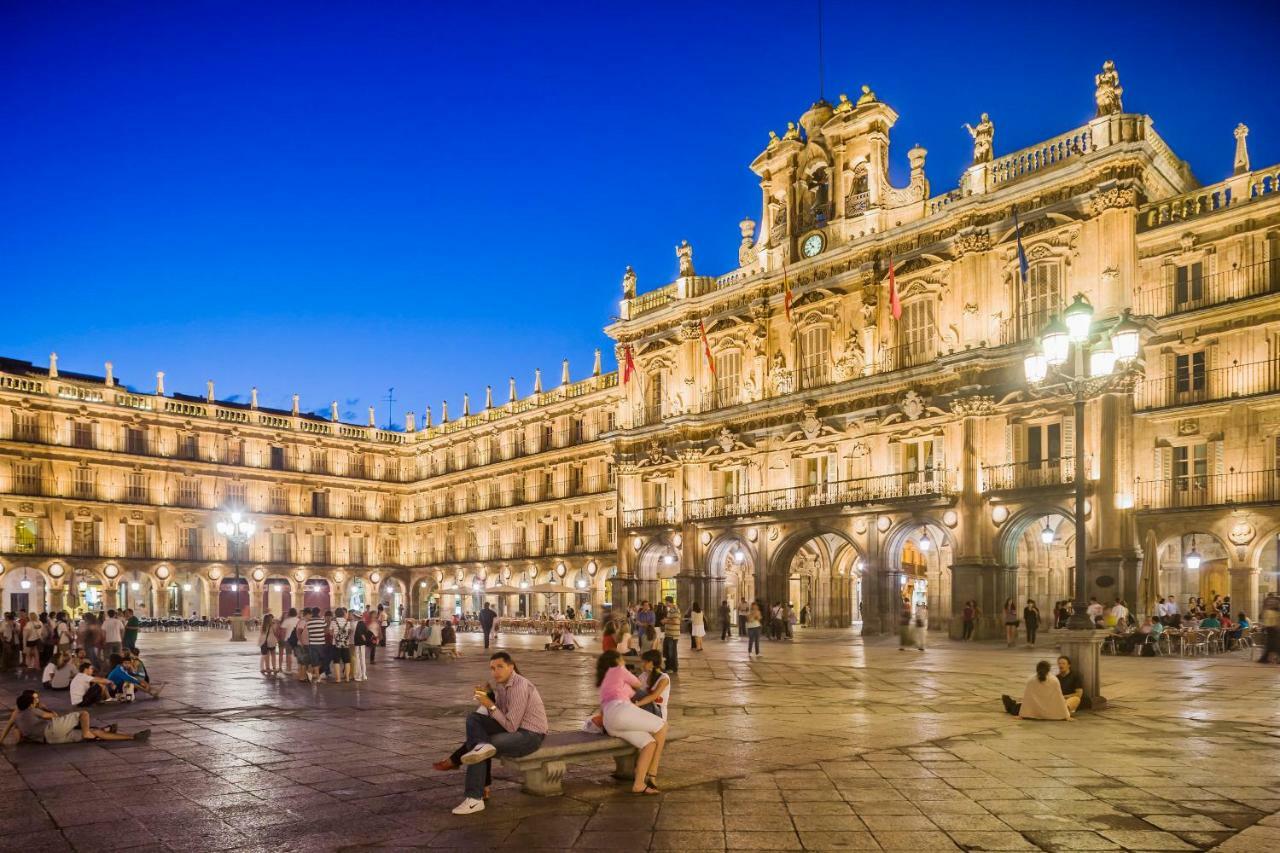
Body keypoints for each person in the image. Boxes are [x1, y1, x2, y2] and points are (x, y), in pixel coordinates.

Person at [443, 652, 548, 815]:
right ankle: (481, 788)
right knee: (474, 719)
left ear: (511, 666)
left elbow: (511, 725)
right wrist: (489, 695)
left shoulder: (520, 686)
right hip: (514, 730)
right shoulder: (501, 685)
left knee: (479, 746)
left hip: (530, 736)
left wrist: (490, 705)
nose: (495, 672)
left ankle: (474, 798)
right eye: (492, 668)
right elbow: (498, 713)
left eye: (500, 667)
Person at [595, 650, 666, 795]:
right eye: (621, 659)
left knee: (649, 744)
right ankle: (652, 773)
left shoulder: (605, 681)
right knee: (662, 726)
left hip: (610, 722)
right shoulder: (619, 670)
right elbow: (638, 683)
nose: (623, 661)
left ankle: (639, 784)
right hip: (621, 711)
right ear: (616, 661)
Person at [1, 690, 147, 745]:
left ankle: (130, 736)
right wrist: (45, 709)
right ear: (30, 703)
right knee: (83, 714)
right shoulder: (31, 710)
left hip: (49, 740)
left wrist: (2, 740)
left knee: (94, 733)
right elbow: (50, 716)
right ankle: (88, 732)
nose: (36, 700)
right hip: (51, 729)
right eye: (35, 699)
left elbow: (12, 731)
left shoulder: (16, 715)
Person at [1001, 660, 1072, 720]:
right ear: (1049, 669)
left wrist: (1022, 715)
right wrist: (1066, 715)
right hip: (1050, 711)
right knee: (1017, 706)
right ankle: (1010, 702)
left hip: (1034, 711)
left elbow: (1027, 699)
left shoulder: (1031, 680)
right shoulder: (1054, 680)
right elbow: (1059, 698)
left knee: (1015, 708)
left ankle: (1009, 702)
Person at [330, 608, 353, 682]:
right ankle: (347, 678)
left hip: (336, 644)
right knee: (347, 661)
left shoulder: (333, 622)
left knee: (336, 661)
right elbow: (349, 632)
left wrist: (335, 634)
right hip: (345, 644)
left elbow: (330, 633)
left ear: (335, 614)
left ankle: (338, 679)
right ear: (343, 614)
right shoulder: (347, 622)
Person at [660, 597, 680, 674]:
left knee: (672, 652)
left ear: (669, 602)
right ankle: (668, 667)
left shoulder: (675, 609)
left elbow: (675, 621)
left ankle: (673, 668)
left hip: (673, 635)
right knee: (666, 652)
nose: (665, 603)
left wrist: (665, 621)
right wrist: (666, 620)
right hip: (668, 634)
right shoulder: (670, 610)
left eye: (666, 602)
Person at [279, 608, 299, 675]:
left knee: (288, 654)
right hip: (297, 639)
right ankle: (300, 669)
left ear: (289, 613)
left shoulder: (286, 621)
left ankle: (289, 669)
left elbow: (283, 632)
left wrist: (282, 639)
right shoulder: (298, 620)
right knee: (299, 655)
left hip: (288, 639)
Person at [352, 613, 372, 681]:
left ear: (356, 617)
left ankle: (359, 676)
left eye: (354, 616)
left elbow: (361, 634)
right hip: (362, 645)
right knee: (363, 659)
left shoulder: (358, 624)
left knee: (358, 659)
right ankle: (364, 675)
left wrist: (364, 640)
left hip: (358, 644)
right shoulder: (363, 624)